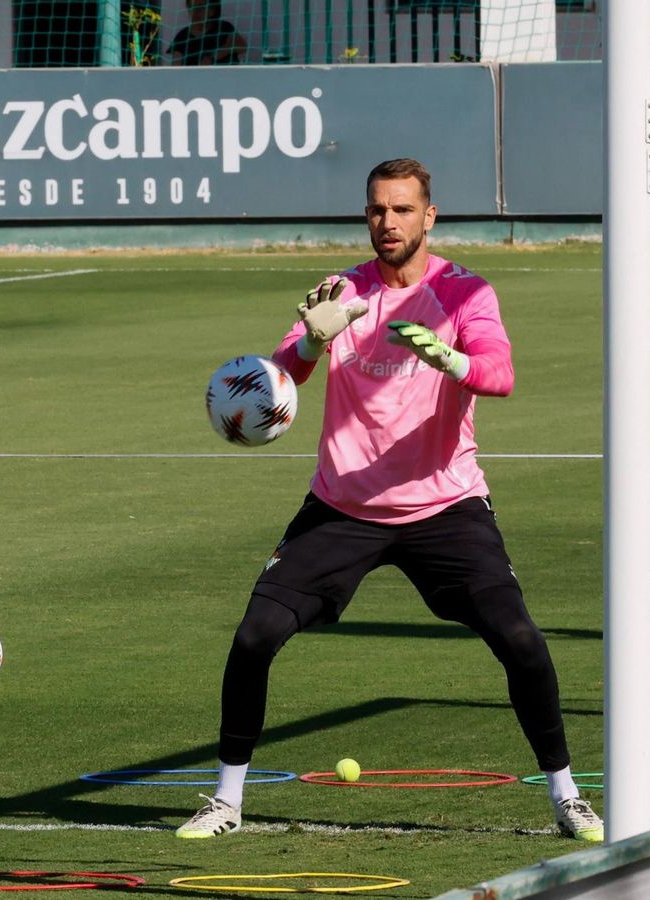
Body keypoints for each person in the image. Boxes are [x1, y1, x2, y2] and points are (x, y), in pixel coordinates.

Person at [175, 158, 603, 842]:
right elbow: (282, 378)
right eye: (377, 210)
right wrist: (314, 339)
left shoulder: (467, 294)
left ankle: (568, 798)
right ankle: (226, 799)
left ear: (429, 217)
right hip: (343, 507)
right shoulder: (342, 290)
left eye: (402, 210)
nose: (388, 223)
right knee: (255, 637)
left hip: (446, 507)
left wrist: (450, 359)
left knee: (521, 641)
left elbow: (500, 374)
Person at [167, 0, 247, 65]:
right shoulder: (181, 37)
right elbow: (175, 68)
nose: (196, 12)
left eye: (201, 7)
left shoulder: (224, 28)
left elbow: (242, 46)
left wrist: (213, 56)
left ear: (211, 10)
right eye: (192, 7)